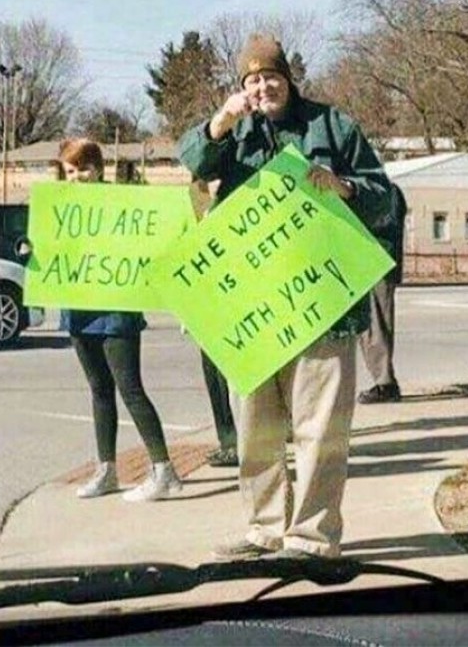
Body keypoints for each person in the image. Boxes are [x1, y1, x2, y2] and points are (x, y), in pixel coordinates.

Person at [177, 34, 391, 560]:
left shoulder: (331, 124)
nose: (263, 87)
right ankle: (265, 527)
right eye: (252, 80)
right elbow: (194, 163)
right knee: (255, 432)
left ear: (288, 80)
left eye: (271, 77)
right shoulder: (234, 132)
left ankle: (313, 537)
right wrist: (220, 122)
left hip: (322, 307)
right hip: (253, 308)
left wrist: (342, 186)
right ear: (242, 88)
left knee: (321, 430)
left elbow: (386, 198)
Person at [56, 138, 182, 502]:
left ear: (98, 169)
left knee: (130, 388)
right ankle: (106, 469)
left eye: (83, 169)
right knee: (99, 389)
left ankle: (164, 469)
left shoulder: (124, 205)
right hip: (79, 308)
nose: (77, 177)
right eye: (70, 171)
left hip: (117, 311)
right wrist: (32, 248)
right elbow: (47, 248)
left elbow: (151, 242)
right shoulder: (61, 209)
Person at [188, 178, 239, 468]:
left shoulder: (240, 191)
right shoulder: (195, 198)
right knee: (215, 378)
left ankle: (255, 438)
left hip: (238, 298)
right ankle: (229, 441)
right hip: (206, 301)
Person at [357, 181, 407, 404]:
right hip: (367, 263)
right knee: (369, 328)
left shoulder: (387, 191)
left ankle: (385, 384)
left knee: (376, 326)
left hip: (377, 263)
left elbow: (386, 223)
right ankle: (383, 380)